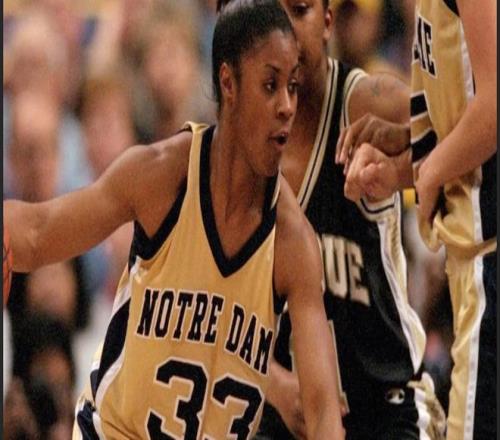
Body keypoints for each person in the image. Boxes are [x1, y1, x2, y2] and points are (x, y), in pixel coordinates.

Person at [3, 1, 345, 439]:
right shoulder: (163, 177)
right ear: (228, 83)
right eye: (270, 85)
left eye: (292, 87)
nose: (286, 106)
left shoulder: (293, 241)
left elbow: (322, 412)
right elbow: (36, 233)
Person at [208, 0, 445, 439]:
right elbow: (211, 312)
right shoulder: (230, 146)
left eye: (299, 11)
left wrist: (402, 166)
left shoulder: (368, 104)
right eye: (272, 12)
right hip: (281, 418)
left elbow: (465, 142)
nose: (285, 32)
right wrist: (277, 384)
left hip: (388, 408)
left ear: (327, 23)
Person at [338, 0, 497, 439]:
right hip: (473, 266)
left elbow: (494, 107)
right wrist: (403, 163)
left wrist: (429, 173)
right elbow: (462, 126)